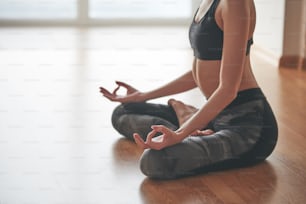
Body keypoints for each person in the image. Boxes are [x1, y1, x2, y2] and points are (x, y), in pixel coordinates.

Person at [99, 0, 278, 179]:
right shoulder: (208, 2)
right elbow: (198, 72)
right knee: (123, 112)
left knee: (154, 161)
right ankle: (196, 127)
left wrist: (179, 134)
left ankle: (190, 125)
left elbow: (228, 89)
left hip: (247, 126)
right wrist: (143, 96)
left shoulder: (235, 3)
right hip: (215, 117)